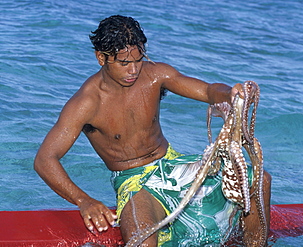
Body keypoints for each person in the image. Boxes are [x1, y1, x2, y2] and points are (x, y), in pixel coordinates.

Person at [34, 15, 271, 246]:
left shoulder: (155, 76)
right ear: (101, 58)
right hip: (133, 179)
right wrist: (84, 201)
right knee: (141, 239)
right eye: (124, 63)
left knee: (258, 180)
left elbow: (208, 91)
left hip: (172, 164)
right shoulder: (86, 102)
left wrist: (230, 93)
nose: (133, 70)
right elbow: (45, 160)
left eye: (138, 60)